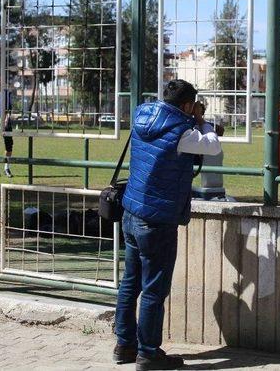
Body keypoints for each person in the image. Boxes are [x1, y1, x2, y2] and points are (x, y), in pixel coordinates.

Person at [114, 79, 222, 370]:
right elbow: (212, 147)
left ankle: (124, 345)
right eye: (193, 106)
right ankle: (148, 354)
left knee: (130, 282)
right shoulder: (182, 130)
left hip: (131, 211)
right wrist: (202, 122)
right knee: (153, 290)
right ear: (187, 105)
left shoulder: (142, 115)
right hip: (158, 220)